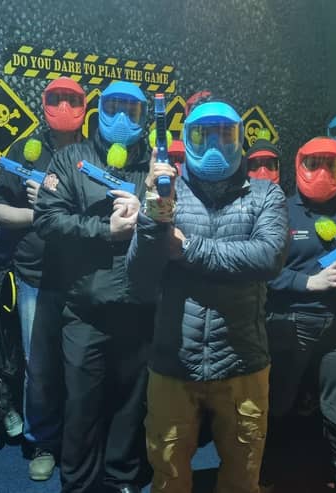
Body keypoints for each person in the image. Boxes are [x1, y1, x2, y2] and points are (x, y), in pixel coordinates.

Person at [126, 99, 289, 493]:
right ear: (187, 139)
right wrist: (152, 215)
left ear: (239, 139)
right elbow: (140, 275)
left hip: (242, 360)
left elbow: (267, 257)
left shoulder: (265, 194)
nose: (215, 145)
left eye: (225, 134)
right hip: (173, 359)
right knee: (167, 473)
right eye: (204, 135)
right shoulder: (166, 192)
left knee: (242, 473)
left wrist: (186, 249)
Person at [33, 80, 153, 493]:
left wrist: (149, 213)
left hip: (139, 312)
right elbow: (47, 219)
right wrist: (107, 230)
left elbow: (176, 225)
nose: (122, 117)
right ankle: (80, 485)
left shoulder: (154, 168)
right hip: (85, 310)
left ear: (144, 116)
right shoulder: (70, 159)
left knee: (129, 407)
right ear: (100, 109)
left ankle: (122, 480)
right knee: (81, 409)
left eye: (132, 110)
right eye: (114, 106)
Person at [260, 137, 336, 493]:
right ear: (299, 164)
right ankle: (263, 476)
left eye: (330, 164)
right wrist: (307, 283)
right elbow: (260, 270)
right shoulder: (279, 210)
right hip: (287, 326)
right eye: (313, 163)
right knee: (275, 407)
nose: (320, 171)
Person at [0, 76, 86, 481]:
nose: (63, 105)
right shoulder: (23, 151)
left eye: (72, 98)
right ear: (44, 102)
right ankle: (43, 441)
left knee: (84, 365)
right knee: (39, 366)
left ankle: (80, 441)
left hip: (85, 277)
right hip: (33, 276)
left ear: (84, 104)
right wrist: (40, 214)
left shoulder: (94, 151)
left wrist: (61, 209)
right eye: (56, 97)